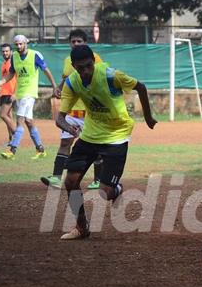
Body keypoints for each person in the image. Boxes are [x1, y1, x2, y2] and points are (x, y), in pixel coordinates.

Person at [57, 44, 157, 240]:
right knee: (70, 181)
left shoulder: (111, 76)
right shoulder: (72, 83)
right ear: (74, 67)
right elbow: (60, 118)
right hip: (90, 135)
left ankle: (116, 189)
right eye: (80, 68)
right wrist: (70, 128)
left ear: (94, 62)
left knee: (105, 193)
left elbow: (141, 87)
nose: (85, 71)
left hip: (116, 136)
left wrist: (148, 117)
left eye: (88, 66)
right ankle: (81, 226)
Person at [41, 29, 103, 189]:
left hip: (90, 112)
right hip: (72, 111)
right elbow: (67, 78)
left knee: (96, 146)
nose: (75, 44)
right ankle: (56, 178)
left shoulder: (95, 58)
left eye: (79, 41)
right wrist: (59, 87)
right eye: (73, 41)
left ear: (85, 43)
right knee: (65, 143)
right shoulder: (68, 60)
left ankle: (98, 179)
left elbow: (99, 79)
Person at [0, 34, 60, 159]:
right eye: (17, 44)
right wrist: (1, 82)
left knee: (20, 121)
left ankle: (12, 150)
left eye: (21, 43)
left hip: (29, 93)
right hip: (20, 93)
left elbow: (46, 70)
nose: (19, 46)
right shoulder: (14, 57)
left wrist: (54, 86)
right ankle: (40, 149)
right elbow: (11, 73)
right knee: (29, 122)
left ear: (26, 43)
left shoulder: (35, 55)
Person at [0, 43, 17, 144]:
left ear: (11, 52)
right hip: (4, 92)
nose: (5, 53)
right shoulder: (5, 63)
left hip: (9, 92)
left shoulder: (11, 63)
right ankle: (11, 139)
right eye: (3, 51)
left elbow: (17, 78)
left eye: (7, 51)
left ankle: (16, 136)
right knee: (8, 116)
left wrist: (15, 93)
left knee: (3, 115)